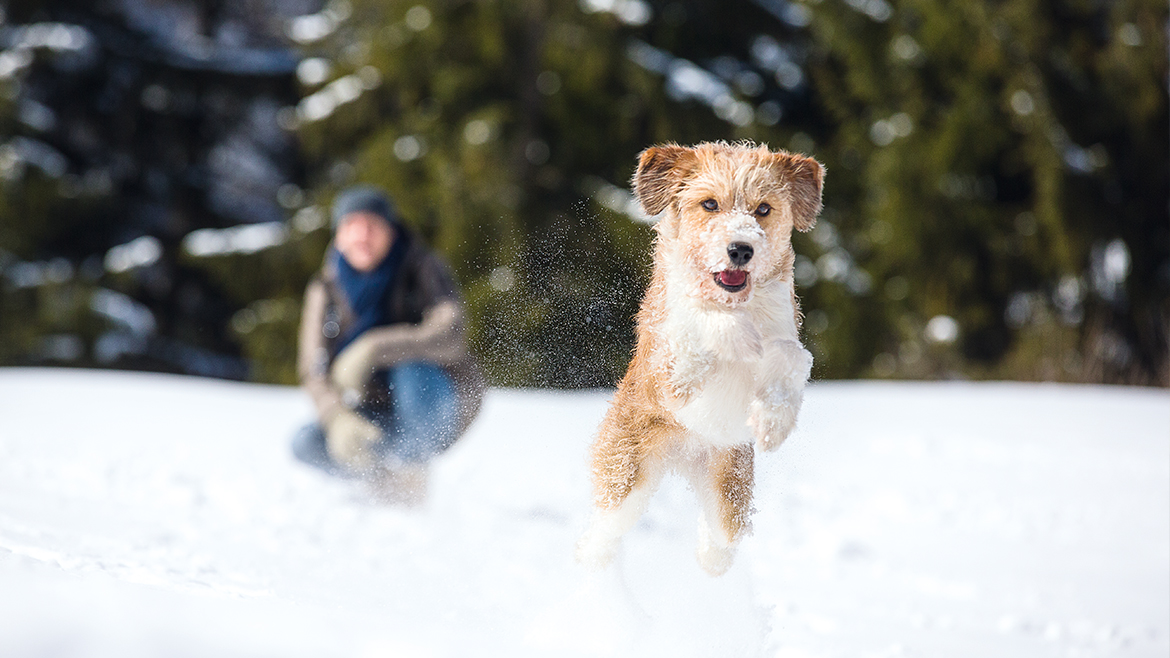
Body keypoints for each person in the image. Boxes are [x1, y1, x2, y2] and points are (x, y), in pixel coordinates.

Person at [293, 185, 483, 501]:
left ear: (391, 231)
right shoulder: (325, 288)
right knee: (305, 443)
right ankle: (382, 484)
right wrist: (336, 417)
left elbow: (452, 333)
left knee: (410, 370)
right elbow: (313, 370)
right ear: (338, 235)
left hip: (439, 404)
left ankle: (413, 478)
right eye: (352, 226)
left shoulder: (421, 267)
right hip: (376, 409)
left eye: (372, 226)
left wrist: (374, 348)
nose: (362, 236)